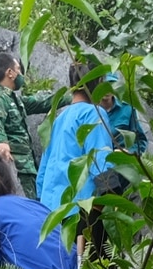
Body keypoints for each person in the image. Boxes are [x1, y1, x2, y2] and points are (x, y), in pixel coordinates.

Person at [36, 68, 116, 210]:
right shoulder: (94, 114)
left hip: (50, 212)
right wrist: (112, 195)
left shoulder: (56, 121)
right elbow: (100, 159)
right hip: (81, 209)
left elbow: (42, 175)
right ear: (98, 83)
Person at [0, 49, 53, 162]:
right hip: (16, 166)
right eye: (18, 69)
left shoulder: (13, 99)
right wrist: (2, 141)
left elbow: (40, 102)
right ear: (10, 73)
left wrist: (71, 95)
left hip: (27, 166)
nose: (21, 74)